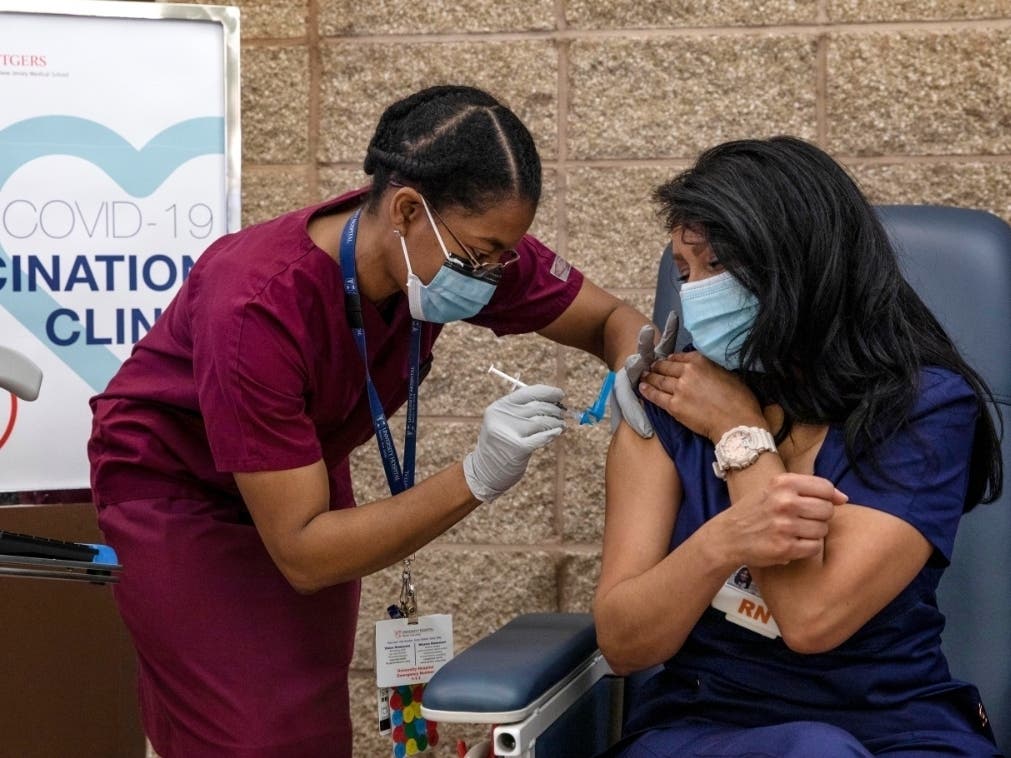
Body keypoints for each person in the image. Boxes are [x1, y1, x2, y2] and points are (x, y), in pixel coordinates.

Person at [88, 84, 651, 758]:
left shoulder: (461, 249)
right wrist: (476, 475)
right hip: (177, 490)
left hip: (299, 472)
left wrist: (632, 365)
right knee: (248, 736)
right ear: (408, 209)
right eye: (482, 254)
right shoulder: (256, 305)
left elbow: (610, 318)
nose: (496, 273)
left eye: (508, 253)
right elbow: (303, 553)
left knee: (307, 727)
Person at [593, 137, 1004, 757]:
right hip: (707, 729)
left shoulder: (924, 410)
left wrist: (740, 435)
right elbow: (624, 644)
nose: (693, 294)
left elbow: (811, 619)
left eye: (715, 267)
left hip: (897, 728)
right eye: (684, 273)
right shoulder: (669, 407)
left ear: (797, 265)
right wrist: (719, 543)